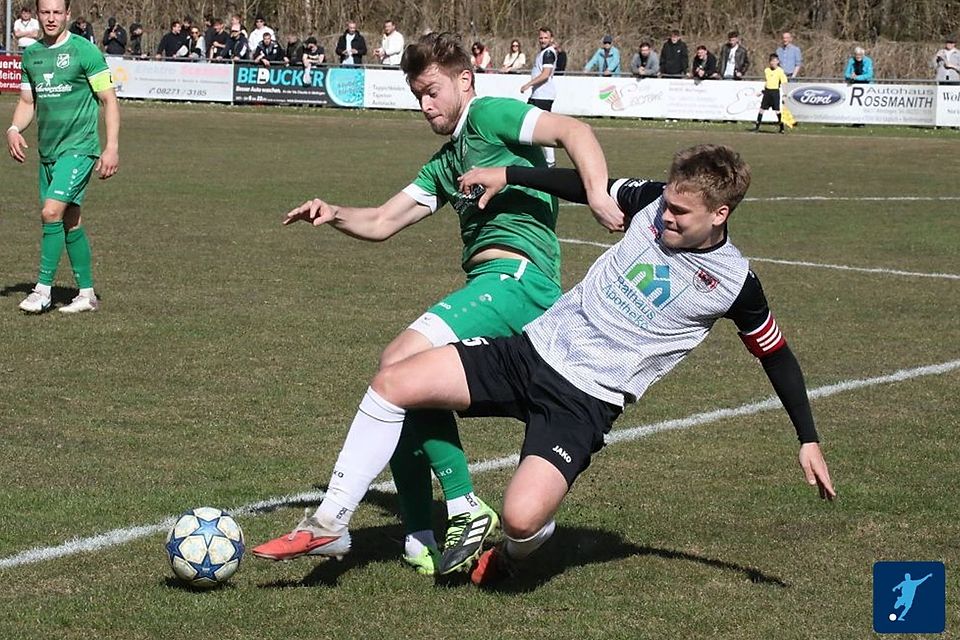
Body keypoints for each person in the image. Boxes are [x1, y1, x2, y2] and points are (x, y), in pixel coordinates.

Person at [253, 142, 836, 586]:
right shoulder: (651, 200)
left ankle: (506, 557)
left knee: (522, 519)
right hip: (530, 352)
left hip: (583, 403)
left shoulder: (735, 284)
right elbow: (586, 184)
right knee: (394, 380)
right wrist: (507, 174)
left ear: (721, 213)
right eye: (667, 204)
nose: (665, 217)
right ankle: (330, 526)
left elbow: (776, 355)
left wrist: (806, 437)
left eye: (681, 212)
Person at [251, 32, 625, 577]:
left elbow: (574, 130)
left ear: (464, 79)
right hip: (495, 283)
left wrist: (595, 193)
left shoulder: (490, 115)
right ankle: (420, 536)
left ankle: (446, 506)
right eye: (417, 96)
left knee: (399, 360)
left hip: (520, 279)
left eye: (432, 92)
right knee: (400, 380)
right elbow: (382, 221)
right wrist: (332, 212)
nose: (425, 106)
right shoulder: (447, 160)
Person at [7, 0, 120, 314]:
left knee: (50, 213)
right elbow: (28, 101)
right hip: (48, 152)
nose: (51, 18)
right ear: (38, 14)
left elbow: (109, 100)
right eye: (46, 12)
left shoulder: (85, 51)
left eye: (58, 12)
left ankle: (42, 290)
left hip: (79, 148)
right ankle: (86, 295)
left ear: (68, 14)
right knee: (70, 220)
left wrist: (111, 147)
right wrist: (15, 128)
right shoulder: (31, 55)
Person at [520, 27, 558, 167]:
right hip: (538, 95)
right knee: (532, 124)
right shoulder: (544, 52)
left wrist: (528, 84)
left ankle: (549, 161)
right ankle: (544, 159)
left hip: (543, 96)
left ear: (551, 38)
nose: (542, 40)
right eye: (541, 38)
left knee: (541, 127)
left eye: (545, 38)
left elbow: (546, 74)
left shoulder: (548, 53)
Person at [755, 54, 788, 133]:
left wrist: (785, 94)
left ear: (778, 62)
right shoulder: (767, 70)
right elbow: (767, 82)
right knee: (761, 110)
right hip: (767, 92)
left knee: (777, 111)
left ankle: (782, 128)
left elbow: (784, 83)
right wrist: (762, 91)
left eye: (775, 61)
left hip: (775, 92)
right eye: (772, 61)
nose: (773, 63)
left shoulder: (780, 71)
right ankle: (757, 127)